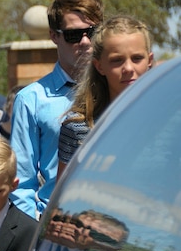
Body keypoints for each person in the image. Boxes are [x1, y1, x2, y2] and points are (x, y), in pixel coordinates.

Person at [9, 0, 104, 219]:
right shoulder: (31, 100)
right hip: (55, 229)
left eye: (92, 32)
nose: (84, 42)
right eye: (73, 35)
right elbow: (21, 185)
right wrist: (36, 236)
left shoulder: (119, 91)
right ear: (54, 36)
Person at [57, 15, 153, 177]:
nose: (128, 68)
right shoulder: (78, 128)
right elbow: (63, 198)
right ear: (99, 66)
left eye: (137, 58)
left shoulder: (171, 123)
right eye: (117, 60)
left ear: (149, 60)